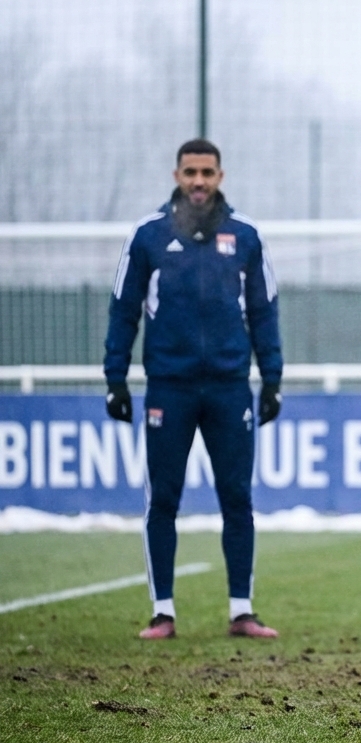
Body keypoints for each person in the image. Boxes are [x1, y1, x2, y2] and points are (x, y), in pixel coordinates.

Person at [104, 139, 283, 640]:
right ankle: (163, 612)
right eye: (190, 172)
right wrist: (115, 377)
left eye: (207, 172)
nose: (199, 181)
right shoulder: (148, 235)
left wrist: (272, 378)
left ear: (221, 176)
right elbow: (124, 308)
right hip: (170, 387)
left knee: (237, 499)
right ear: (177, 174)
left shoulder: (245, 236)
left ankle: (242, 610)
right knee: (163, 500)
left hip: (229, 388)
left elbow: (265, 310)